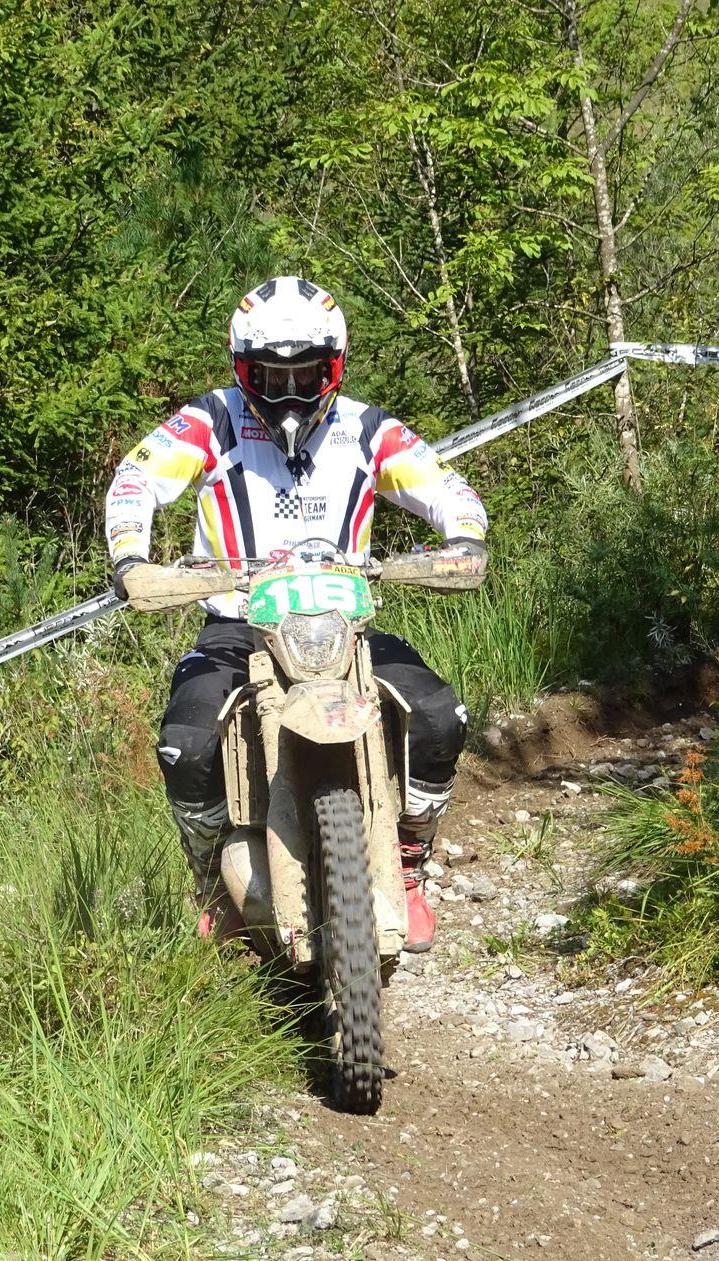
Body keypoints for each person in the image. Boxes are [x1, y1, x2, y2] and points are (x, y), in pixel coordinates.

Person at [104, 276, 487, 951]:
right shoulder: (210, 421)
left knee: (439, 717)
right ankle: (211, 877)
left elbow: (445, 487)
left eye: (305, 374)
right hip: (237, 623)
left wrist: (464, 538)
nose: (287, 392)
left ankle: (407, 862)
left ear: (332, 366)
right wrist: (132, 557)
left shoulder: (367, 429)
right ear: (241, 368)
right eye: (268, 375)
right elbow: (135, 479)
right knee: (185, 744)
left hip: (347, 626)